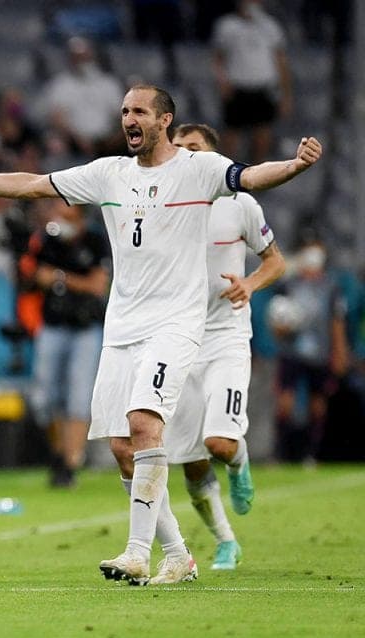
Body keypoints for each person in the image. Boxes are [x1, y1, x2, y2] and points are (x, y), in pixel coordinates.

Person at [0, 84, 322, 585]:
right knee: (121, 446)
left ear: (164, 120)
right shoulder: (109, 173)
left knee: (143, 422)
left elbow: (250, 177)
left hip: (176, 323)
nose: (128, 119)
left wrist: (293, 166)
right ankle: (178, 554)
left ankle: (138, 550)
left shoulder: (198, 168)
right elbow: (32, 184)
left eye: (139, 111)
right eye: (123, 112)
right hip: (121, 327)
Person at [166, 123, 287, 571]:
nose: (183, 157)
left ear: (214, 160)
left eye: (193, 150)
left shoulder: (240, 204)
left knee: (218, 442)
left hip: (225, 338)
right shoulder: (162, 207)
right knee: (192, 462)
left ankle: (239, 464)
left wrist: (250, 285)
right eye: (177, 149)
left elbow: (275, 261)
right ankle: (225, 541)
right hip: (176, 339)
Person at [20, 199, 109, 488]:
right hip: (53, 326)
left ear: (80, 214)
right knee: (45, 397)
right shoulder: (47, 239)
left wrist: (60, 278)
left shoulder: (95, 238)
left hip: (86, 328)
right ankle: (59, 455)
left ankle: (71, 463)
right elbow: (34, 277)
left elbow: (98, 286)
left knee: (79, 396)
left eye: (65, 212)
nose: (59, 217)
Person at [270, 236, 349, 462]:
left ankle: (310, 454)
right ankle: (280, 453)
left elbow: (337, 322)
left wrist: (340, 353)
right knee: (285, 402)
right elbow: (276, 319)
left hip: (320, 353)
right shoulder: (288, 284)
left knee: (317, 405)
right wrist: (281, 329)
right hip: (291, 351)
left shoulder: (332, 286)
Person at [211, 0, 292, 163]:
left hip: (263, 89)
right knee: (231, 135)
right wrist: (222, 83)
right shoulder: (226, 26)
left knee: (262, 135)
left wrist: (286, 94)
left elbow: (281, 61)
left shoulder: (270, 26)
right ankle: (226, 176)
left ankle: (256, 178)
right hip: (237, 89)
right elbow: (218, 58)